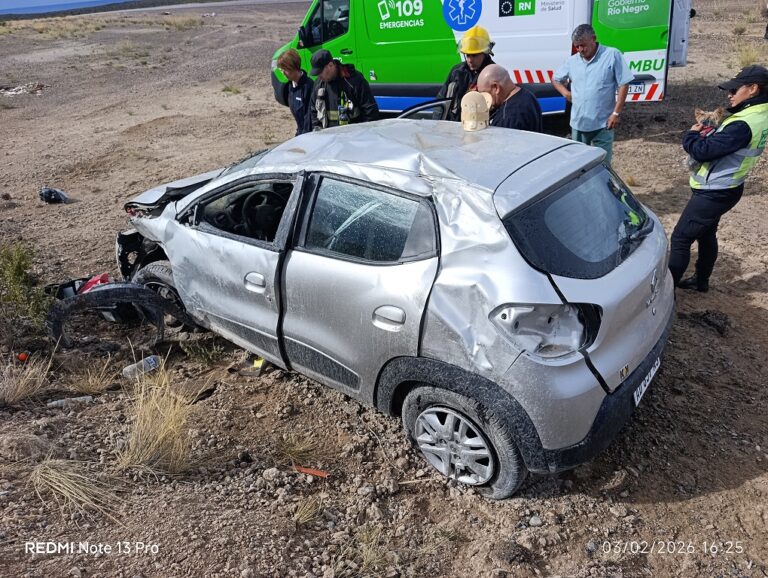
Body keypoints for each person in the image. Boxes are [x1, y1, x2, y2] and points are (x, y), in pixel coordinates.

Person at [669, 65, 768, 292]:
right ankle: (701, 281)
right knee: (706, 233)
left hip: (714, 191)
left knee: (681, 238)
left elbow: (702, 151)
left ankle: (666, 291)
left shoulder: (743, 124)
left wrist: (691, 135)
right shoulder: (758, 114)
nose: (729, 95)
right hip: (728, 186)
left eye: (734, 90)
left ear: (753, 89)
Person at [551, 24, 634, 165]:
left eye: (583, 46)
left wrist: (616, 113)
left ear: (593, 39)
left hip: (603, 124)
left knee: (603, 165)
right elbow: (555, 79)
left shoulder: (612, 55)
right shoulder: (573, 61)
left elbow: (624, 83)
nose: (580, 50)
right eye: (577, 46)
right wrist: (566, 94)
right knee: (578, 164)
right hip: (579, 123)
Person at [309, 49, 379, 130]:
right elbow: (313, 110)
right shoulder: (319, 84)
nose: (319, 76)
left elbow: (370, 111)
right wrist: (317, 128)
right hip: (330, 139)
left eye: (320, 72)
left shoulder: (354, 80)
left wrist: (364, 135)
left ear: (331, 65)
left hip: (354, 137)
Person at [437, 26, 495, 122]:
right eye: (467, 55)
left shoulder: (494, 74)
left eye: (474, 55)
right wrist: (438, 125)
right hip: (453, 128)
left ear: (485, 53)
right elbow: (440, 101)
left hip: (479, 129)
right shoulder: (456, 71)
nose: (470, 60)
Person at [477, 64, 543, 132]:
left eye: (484, 93)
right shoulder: (528, 95)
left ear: (496, 87)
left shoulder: (508, 117)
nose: (484, 99)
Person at [276, 49, 314, 136]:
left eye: (285, 69)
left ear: (293, 67)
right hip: (300, 133)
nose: (283, 73)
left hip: (309, 136)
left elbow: (309, 120)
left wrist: (302, 138)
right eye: (281, 70)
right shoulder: (290, 86)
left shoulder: (308, 86)